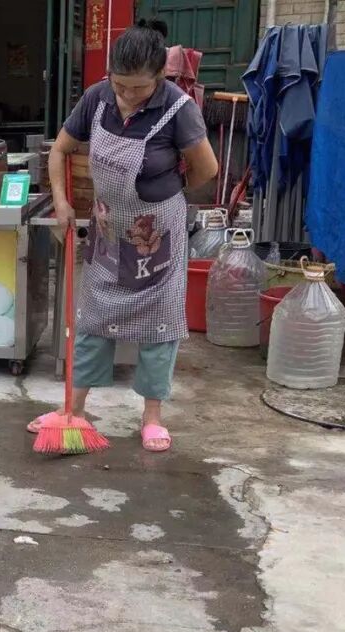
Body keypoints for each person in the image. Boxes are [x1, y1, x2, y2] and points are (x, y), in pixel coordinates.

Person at [31, 19, 217, 452]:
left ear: (160, 76)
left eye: (139, 88)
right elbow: (60, 150)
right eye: (121, 86)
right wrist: (61, 202)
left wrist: (169, 193)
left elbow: (207, 169)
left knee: (159, 325)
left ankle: (152, 417)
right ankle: (74, 410)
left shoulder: (178, 109)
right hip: (109, 229)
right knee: (93, 319)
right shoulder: (97, 99)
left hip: (158, 234)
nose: (128, 96)